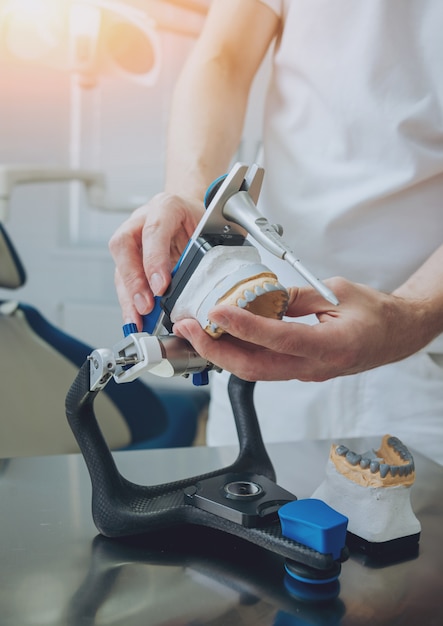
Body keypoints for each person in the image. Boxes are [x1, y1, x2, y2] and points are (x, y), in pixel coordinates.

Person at [109, 0, 443, 464]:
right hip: (264, 347)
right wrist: (191, 199)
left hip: (429, 360)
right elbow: (223, 59)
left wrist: (416, 314)